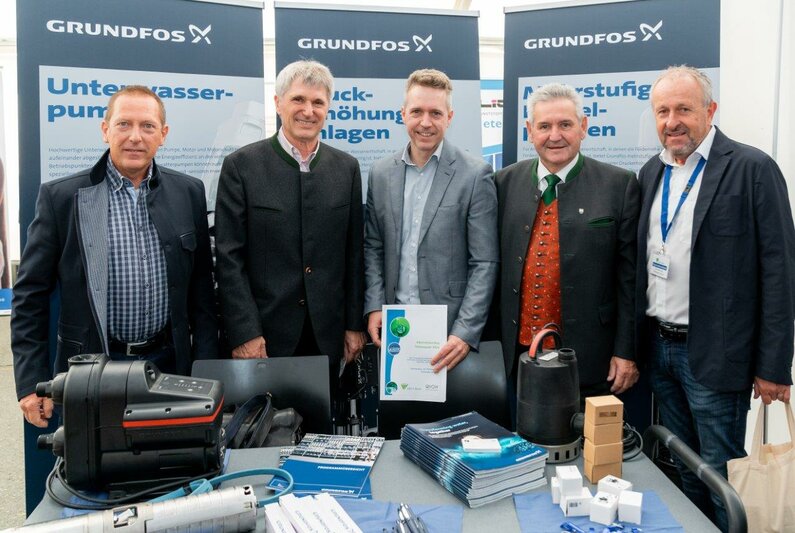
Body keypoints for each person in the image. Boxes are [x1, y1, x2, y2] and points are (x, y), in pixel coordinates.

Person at [636, 65, 795, 530]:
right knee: (684, 466)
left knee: (724, 473)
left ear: (710, 110)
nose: (672, 122)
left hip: (717, 354)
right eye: (662, 111)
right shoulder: (651, 172)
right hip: (660, 349)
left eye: (683, 109)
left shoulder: (752, 169)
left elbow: (780, 273)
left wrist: (773, 366)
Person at [12, 86, 218, 428]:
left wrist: (207, 368)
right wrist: (31, 383)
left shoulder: (188, 192)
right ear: (105, 129)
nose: (135, 137)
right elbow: (29, 296)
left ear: (163, 134)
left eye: (147, 126)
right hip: (92, 371)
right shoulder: (62, 198)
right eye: (124, 124)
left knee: (172, 456)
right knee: (94, 459)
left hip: (170, 366)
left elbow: (202, 292)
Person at [215, 60, 365, 375]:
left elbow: (354, 255)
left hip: (328, 336)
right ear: (278, 103)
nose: (308, 111)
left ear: (328, 108)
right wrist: (245, 331)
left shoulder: (347, 168)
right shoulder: (241, 166)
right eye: (298, 99)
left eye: (318, 102)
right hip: (264, 338)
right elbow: (229, 259)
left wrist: (354, 325)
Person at [495, 83, 640, 398]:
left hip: (592, 358)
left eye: (565, 124)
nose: (554, 135)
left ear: (583, 127)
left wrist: (626, 351)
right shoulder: (503, 182)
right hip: (518, 356)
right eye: (544, 126)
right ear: (529, 131)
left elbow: (630, 280)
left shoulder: (619, 185)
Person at [364, 69, 498, 372]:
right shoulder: (381, 173)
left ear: (449, 117)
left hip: (451, 334)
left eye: (436, 113)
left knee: (449, 405)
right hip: (394, 327)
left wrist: (465, 331)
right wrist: (374, 305)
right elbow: (373, 247)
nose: (425, 122)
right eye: (417, 112)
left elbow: (485, 262)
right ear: (403, 114)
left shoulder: (475, 175)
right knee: (398, 401)